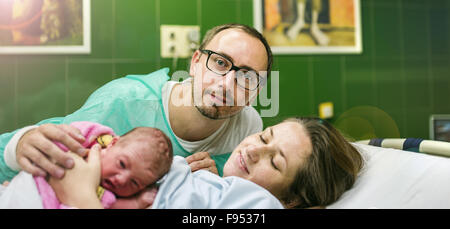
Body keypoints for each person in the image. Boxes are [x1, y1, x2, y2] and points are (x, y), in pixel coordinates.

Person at [0, 23, 274, 206]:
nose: (227, 84)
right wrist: (20, 145)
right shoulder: (124, 103)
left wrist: (215, 179)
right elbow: (12, 152)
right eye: (219, 62)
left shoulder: (249, 129)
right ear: (195, 62)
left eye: (247, 76)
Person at [49, 117, 364, 209]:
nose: (254, 150)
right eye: (265, 137)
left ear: (291, 199)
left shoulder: (259, 207)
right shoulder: (211, 183)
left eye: (276, 162)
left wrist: (81, 198)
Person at [0, 121, 172, 209]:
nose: (121, 179)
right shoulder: (87, 142)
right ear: (111, 144)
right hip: (24, 191)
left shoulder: (109, 197)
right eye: (121, 164)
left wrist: (136, 203)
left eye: (134, 183)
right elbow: (59, 138)